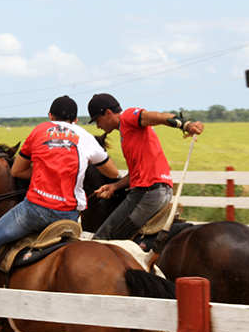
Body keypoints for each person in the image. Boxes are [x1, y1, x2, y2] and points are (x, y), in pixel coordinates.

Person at [0, 95, 119, 288]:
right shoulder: (85, 137)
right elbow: (113, 172)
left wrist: (44, 170)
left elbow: (17, 171)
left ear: (50, 116)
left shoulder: (39, 130)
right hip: (68, 216)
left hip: (34, 211)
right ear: (75, 120)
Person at [87, 93, 204, 241]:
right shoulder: (127, 132)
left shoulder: (128, 117)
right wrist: (114, 186)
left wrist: (186, 125)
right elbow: (136, 174)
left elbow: (159, 117)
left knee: (102, 238)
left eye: (98, 120)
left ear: (108, 113)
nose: (98, 126)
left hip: (147, 193)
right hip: (158, 191)